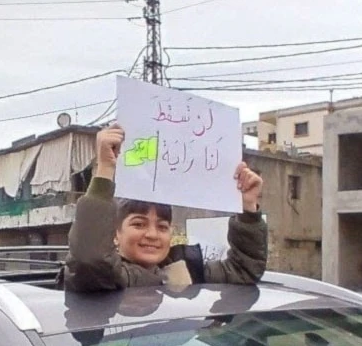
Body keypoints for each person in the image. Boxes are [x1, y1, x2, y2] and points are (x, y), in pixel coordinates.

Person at [64, 124, 268, 292]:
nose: (152, 235)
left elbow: (243, 270)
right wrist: (105, 169)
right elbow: (89, 259)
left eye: (162, 227)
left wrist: (248, 206)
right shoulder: (105, 278)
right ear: (115, 234)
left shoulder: (186, 270)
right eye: (139, 224)